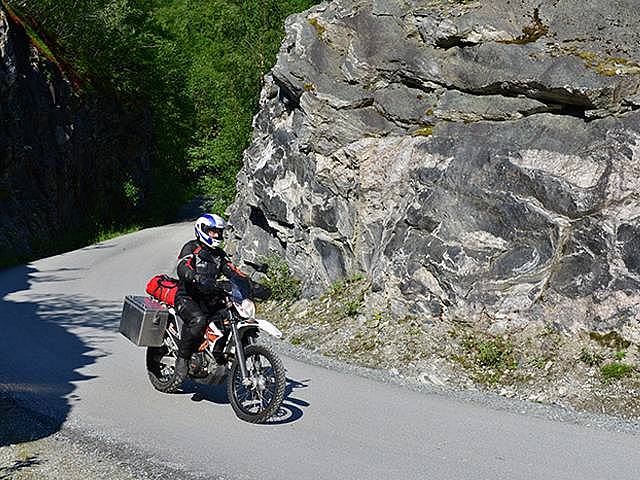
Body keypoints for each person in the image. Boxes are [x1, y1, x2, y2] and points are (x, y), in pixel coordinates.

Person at [173, 213, 271, 383]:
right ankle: (182, 359)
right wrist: (195, 277)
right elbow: (183, 266)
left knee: (230, 317)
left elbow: (235, 273)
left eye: (218, 232)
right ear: (202, 230)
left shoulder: (219, 255)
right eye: (212, 232)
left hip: (210, 297)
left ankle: (218, 355)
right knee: (198, 320)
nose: (216, 235)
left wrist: (254, 286)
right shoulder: (191, 248)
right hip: (188, 297)